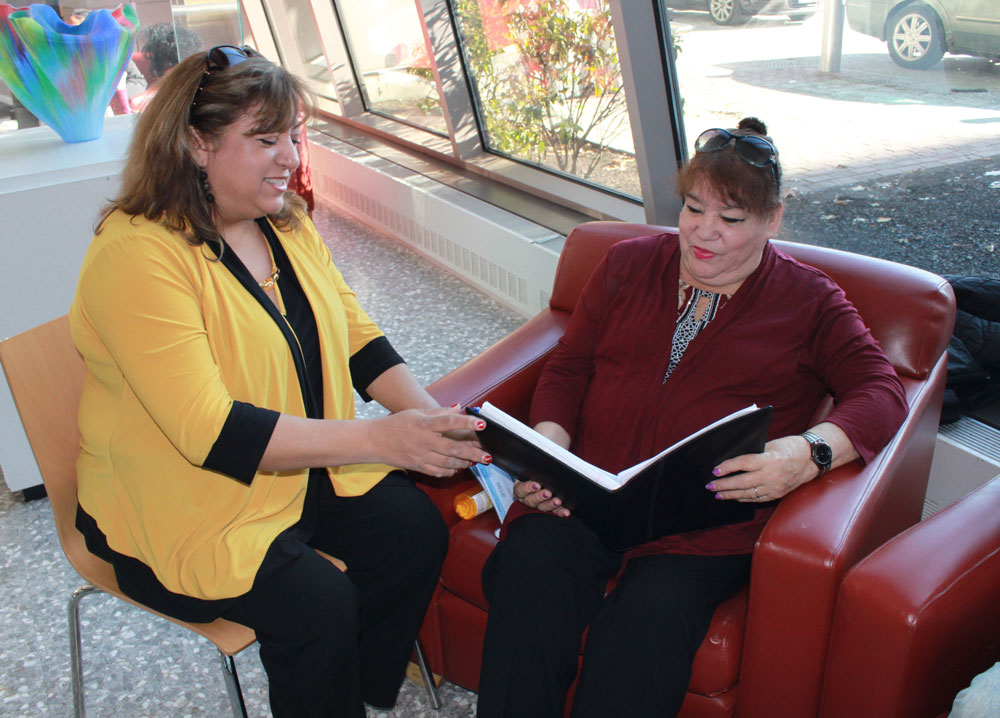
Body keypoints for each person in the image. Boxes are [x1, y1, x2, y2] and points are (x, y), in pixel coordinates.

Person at [69, 45, 490, 718]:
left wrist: (434, 422)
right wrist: (383, 441)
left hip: (288, 471)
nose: (290, 157)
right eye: (266, 140)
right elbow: (211, 432)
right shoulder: (137, 256)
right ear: (196, 143)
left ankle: (348, 690)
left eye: (292, 136)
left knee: (413, 532)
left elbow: (356, 338)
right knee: (319, 606)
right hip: (179, 504)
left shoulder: (285, 223)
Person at [475, 117, 909, 718]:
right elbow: (569, 365)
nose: (704, 231)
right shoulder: (627, 264)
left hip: (702, 529)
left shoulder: (810, 301)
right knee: (528, 568)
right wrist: (549, 451)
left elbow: (882, 391)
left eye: (730, 218)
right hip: (589, 496)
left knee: (644, 627)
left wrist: (808, 454)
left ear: (773, 219)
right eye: (693, 208)